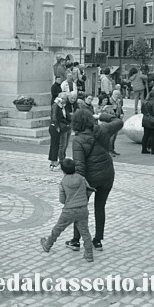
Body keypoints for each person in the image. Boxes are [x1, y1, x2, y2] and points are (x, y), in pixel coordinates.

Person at [66, 108, 124, 252]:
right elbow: (118, 121)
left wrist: (77, 185)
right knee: (100, 207)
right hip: (107, 174)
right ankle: (97, 241)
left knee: (80, 208)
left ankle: (76, 240)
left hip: (90, 178)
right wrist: (101, 116)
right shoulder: (103, 129)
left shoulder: (78, 140)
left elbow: (79, 166)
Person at [40, 158, 94, 262]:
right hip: (82, 209)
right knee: (85, 232)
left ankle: (47, 245)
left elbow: (62, 200)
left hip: (69, 210)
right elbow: (88, 191)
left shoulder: (63, 182)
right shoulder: (82, 178)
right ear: (74, 168)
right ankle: (89, 254)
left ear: (63, 170)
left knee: (58, 228)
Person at [48, 93, 70, 170]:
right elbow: (54, 117)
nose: (65, 100)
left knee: (60, 145)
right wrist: (57, 126)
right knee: (54, 145)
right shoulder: (56, 105)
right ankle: (53, 162)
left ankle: (58, 161)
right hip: (55, 127)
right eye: (63, 98)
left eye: (66, 98)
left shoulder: (63, 106)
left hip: (61, 126)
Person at [140, 89, 154, 154]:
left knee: (145, 135)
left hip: (145, 120)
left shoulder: (144, 102)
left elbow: (142, 111)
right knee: (153, 136)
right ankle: (153, 150)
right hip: (153, 121)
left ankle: (144, 149)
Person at [103, 90, 124, 156]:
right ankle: (109, 150)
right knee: (111, 137)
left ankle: (112, 149)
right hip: (111, 120)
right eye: (116, 94)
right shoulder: (109, 101)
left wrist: (122, 114)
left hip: (117, 119)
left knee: (114, 136)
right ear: (112, 94)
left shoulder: (119, 101)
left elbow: (120, 109)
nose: (117, 96)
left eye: (118, 94)